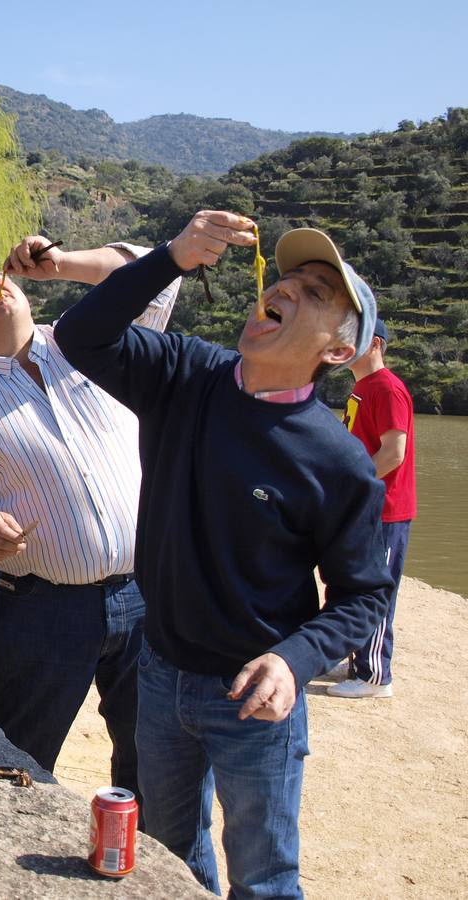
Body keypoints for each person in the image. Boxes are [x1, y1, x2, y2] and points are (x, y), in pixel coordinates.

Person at [51, 210, 393, 898]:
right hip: (159, 673)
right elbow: (81, 336)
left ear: (336, 350)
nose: (291, 287)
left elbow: (365, 596)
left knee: (264, 878)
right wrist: (171, 258)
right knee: (170, 857)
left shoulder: (339, 463)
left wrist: (294, 662)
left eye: (318, 294)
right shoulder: (186, 374)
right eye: (290, 277)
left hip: (253, 700)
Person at [0, 242, 179, 787]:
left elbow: (157, 275)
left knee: (155, 753)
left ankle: (147, 864)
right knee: (15, 758)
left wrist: (63, 265)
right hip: (43, 609)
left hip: (145, 591)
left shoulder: (95, 341)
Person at [330, 316, 416, 699]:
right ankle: (352, 655)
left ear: (376, 344)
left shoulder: (386, 388)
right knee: (351, 583)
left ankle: (374, 676)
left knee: (376, 590)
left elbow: (393, 453)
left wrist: (354, 487)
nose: (347, 345)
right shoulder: (363, 387)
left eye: (356, 339)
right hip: (364, 507)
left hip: (385, 508)